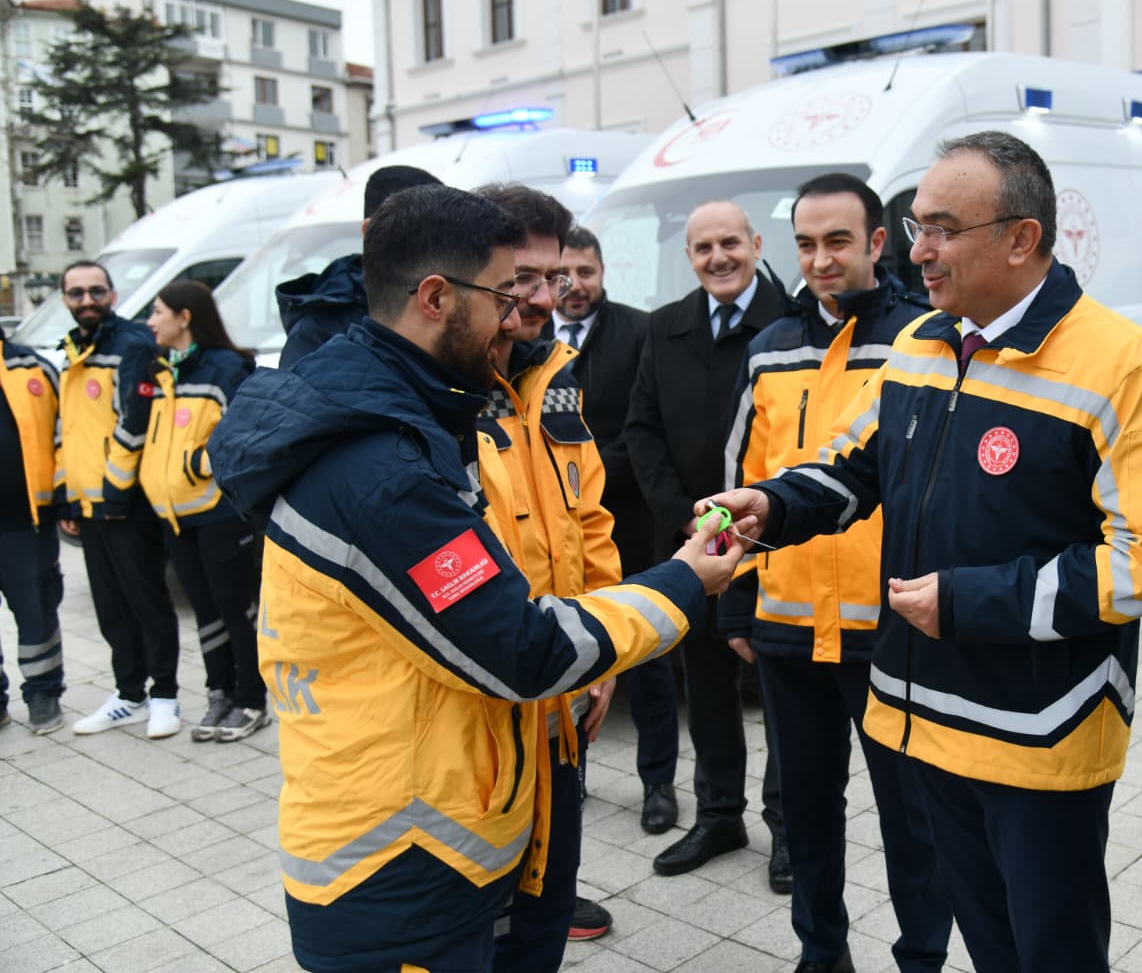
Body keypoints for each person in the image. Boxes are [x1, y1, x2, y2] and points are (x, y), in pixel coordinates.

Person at [210, 184, 751, 973]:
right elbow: (521, 647)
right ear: (435, 297)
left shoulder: (420, 409)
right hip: (399, 863)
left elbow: (575, 525)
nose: (523, 310)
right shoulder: (382, 465)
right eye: (506, 290)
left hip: (472, 800)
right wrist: (683, 581)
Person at [705, 131, 1142, 973]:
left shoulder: (1125, 365)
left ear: (1021, 238)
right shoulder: (923, 345)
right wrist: (773, 504)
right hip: (924, 724)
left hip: (1040, 735)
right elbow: (850, 467)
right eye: (914, 226)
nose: (917, 250)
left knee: (1053, 955)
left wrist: (970, 601)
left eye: (942, 228)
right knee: (990, 945)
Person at [722, 173, 952, 973]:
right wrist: (737, 604)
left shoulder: (924, 338)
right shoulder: (769, 348)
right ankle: (821, 955)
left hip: (889, 628)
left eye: (838, 241)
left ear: (878, 242)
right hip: (788, 628)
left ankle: (922, 958)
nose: (821, 259)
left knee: (913, 819)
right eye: (806, 244)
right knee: (807, 814)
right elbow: (742, 476)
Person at [624, 200, 790, 889]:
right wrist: (685, 523)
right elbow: (642, 430)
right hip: (696, 548)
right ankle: (720, 815)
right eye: (703, 247)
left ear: (756, 244)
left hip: (776, 542)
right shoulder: (665, 327)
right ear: (689, 257)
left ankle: (788, 826)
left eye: (730, 242)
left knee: (781, 693)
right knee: (708, 689)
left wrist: (762, 520)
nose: (718, 257)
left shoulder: (791, 324)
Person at [473, 184, 614, 960]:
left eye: (552, 278)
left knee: (543, 919)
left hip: (562, 707)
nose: (541, 298)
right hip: (479, 721)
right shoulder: (437, 395)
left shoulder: (553, 374)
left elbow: (588, 521)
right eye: (521, 278)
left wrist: (604, 654)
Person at [547, 226, 679, 836]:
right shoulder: (529, 332)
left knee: (644, 653)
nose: (575, 286)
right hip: (553, 526)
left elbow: (645, 424)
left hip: (627, 517)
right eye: (564, 274)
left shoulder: (639, 331)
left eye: (586, 272)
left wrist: (586, 479)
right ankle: (570, 772)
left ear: (603, 272)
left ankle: (658, 783)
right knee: (567, 647)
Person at [55, 260, 185, 740]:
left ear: (112, 295)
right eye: (76, 293)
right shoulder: (73, 350)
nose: (87, 300)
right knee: (111, 608)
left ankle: (165, 696)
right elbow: (70, 431)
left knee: (147, 602)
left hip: (127, 504)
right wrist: (69, 498)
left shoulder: (132, 344)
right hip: (90, 507)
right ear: (65, 300)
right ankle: (130, 695)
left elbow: (134, 424)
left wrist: (114, 493)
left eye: (96, 291)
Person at [140, 280, 268, 743]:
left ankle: (252, 701)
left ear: (185, 317)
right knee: (206, 612)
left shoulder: (226, 368)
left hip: (219, 513)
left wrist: (196, 464)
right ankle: (220, 693)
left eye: (158, 312)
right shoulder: (165, 369)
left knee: (236, 611)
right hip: (177, 516)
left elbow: (246, 435)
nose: (151, 322)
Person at [275, 164, 441, 368]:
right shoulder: (318, 330)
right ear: (370, 230)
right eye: (416, 231)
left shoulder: (443, 301)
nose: (433, 245)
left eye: (440, 233)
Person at [0, 333, 66, 734]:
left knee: (36, 610)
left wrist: (64, 498)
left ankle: (43, 693)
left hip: (27, 523)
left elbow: (65, 435)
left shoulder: (35, 368)